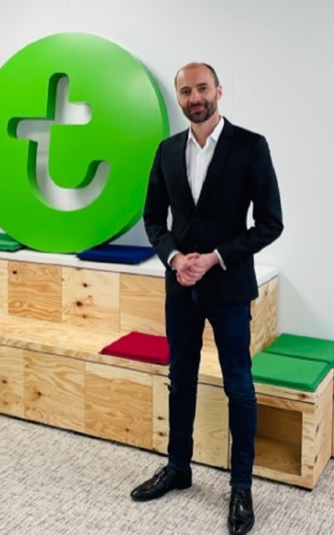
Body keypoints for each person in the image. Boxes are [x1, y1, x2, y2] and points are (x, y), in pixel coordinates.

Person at [131, 62, 283, 535]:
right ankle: (179, 469)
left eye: (202, 88)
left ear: (219, 90)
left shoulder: (251, 146)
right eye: (185, 91)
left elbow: (270, 223)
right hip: (180, 287)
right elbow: (154, 218)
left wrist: (216, 257)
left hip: (229, 287)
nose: (194, 97)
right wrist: (176, 258)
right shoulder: (167, 149)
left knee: (239, 386)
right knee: (182, 380)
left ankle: (241, 487)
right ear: (179, 98)